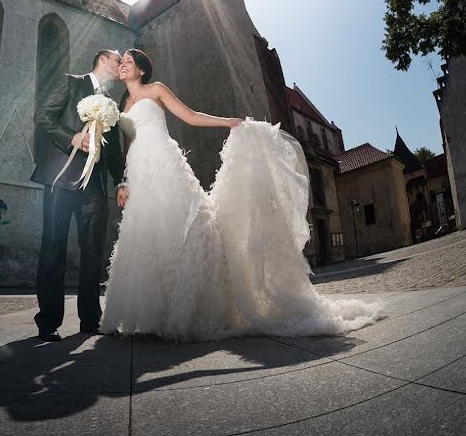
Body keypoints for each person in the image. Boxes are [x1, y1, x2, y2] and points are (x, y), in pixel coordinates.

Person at [100, 49, 380, 341]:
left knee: (186, 227)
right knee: (144, 234)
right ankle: (152, 314)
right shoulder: (123, 103)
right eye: (122, 63)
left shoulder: (155, 90)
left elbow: (190, 116)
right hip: (138, 172)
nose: (123, 65)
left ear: (142, 70)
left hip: (164, 164)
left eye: (129, 62)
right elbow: (127, 144)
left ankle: (190, 310)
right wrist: (123, 181)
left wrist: (227, 122)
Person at [30, 50, 125, 342]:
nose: (121, 65)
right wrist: (72, 137)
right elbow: (42, 117)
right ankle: (48, 321)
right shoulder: (70, 83)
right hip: (60, 180)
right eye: (118, 60)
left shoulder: (111, 106)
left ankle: (90, 320)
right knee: (53, 249)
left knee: (94, 253)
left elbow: (114, 153)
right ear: (102, 61)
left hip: (93, 186)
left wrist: (122, 181)